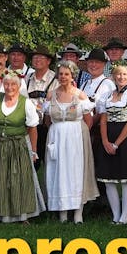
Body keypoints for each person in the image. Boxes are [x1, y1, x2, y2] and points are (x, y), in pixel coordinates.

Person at [0, 71, 45, 223]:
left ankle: (22, 214)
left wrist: (33, 151)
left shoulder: (26, 103)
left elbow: (32, 129)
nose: (9, 87)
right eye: (6, 84)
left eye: (13, 84)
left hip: (18, 145)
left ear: (19, 86)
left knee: (19, 179)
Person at [44, 61, 99, 223]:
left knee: (76, 173)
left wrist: (81, 135)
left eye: (66, 74)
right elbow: (48, 120)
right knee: (58, 171)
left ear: (72, 75)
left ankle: (77, 213)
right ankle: (62, 211)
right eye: (60, 74)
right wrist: (56, 132)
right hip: (57, 138)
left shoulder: (80, 95)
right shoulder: (51, 95)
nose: (63, 77)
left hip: (75, 138)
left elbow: (89, 120)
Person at [96, 61, 127, 224]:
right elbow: (103, 119)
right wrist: (105, 141)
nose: (121, 77)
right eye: (118, 74)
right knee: (108, 179)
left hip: (126, 139)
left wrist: (116, 144)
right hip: (107, 136)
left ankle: (124, 217)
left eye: (124, 74)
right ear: (114, 76)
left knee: (125, 179)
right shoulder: (107, 96)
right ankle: (115, 215)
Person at [25, 46, 57, 167]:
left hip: (48, 127)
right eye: (35, 57)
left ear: (48, 61)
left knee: (50, 164)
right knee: (31, 163)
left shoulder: (56, 79)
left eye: (41, 57)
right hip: (30, 127)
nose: (37, 60)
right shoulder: (27, 78)